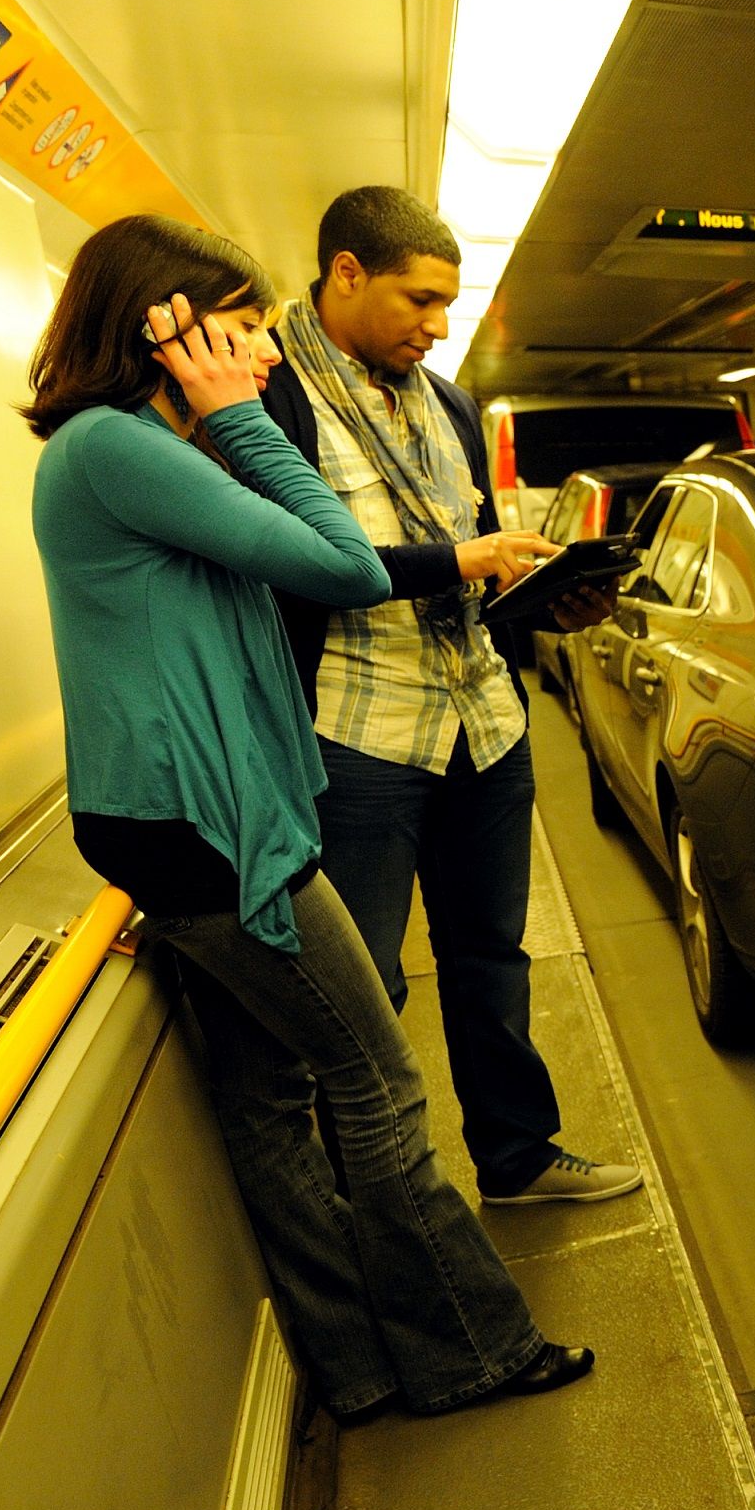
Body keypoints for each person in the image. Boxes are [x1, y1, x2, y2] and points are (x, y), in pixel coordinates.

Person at [27, 212, 594, 1420]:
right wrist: (236, 416)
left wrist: (223, 416)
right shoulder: (115, 449)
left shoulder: (134, 449)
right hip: (206, 828)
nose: (266, 355)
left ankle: (356, 1363)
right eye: (238, 331)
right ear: (162, 333)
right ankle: (469, 1351)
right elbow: (341, 562)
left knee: (271, 1098)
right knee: (377, 1080)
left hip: (196, 816)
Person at [254, 185, 638, 1209]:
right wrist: (463, 559)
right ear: (345, 275)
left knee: (490, 959)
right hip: (358, 737)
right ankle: (390, 1200)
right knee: (366, 987)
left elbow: (475, 578)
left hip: (482, 722)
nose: (437, 326)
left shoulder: (450, 405)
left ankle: (514, 1157)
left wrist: (543, 605)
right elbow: (293, 564)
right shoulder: (270, 400)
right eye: (419, 301)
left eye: (446, 307)